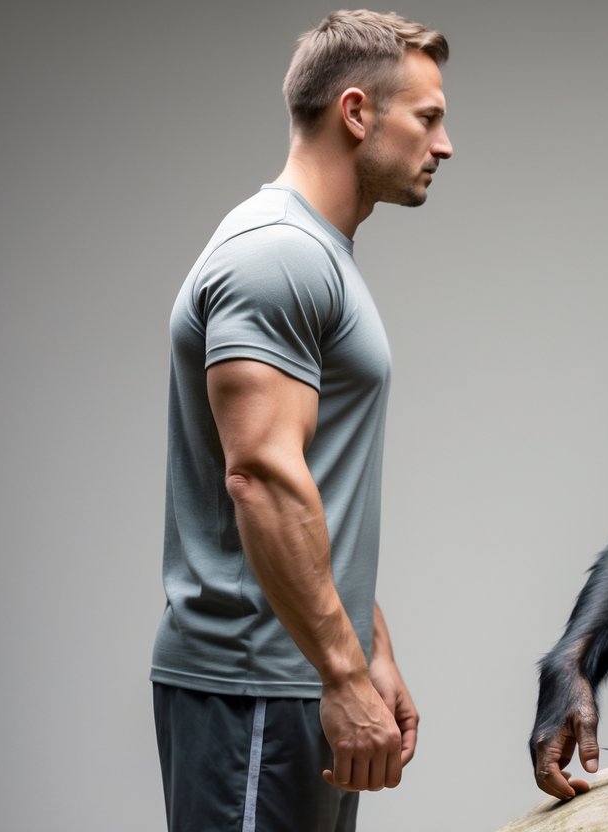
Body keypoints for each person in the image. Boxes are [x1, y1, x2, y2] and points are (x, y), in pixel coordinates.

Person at [150, 10, 452, 831]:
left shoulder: (316, 254)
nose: (445, 144)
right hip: (256, 683)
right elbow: (261, 478)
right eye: (427, 118)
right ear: (356, 113)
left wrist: (369, 649)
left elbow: (313, 489)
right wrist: (343, 674)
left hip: (297, 673)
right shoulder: (275, 255)